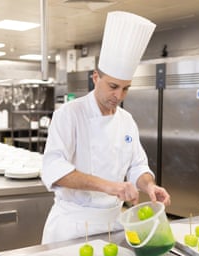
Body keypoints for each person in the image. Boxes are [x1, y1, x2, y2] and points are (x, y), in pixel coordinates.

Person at [40, 11, 171, 244]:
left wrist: (149, 185)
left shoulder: (126, 120)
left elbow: (137, 165)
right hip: (72, 227)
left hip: (115, 225)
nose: (118, 95)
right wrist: (109, 186)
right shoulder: (68, 115)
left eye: (125, 88)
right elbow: (54, 169)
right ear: (95, 78)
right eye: (113, 86)